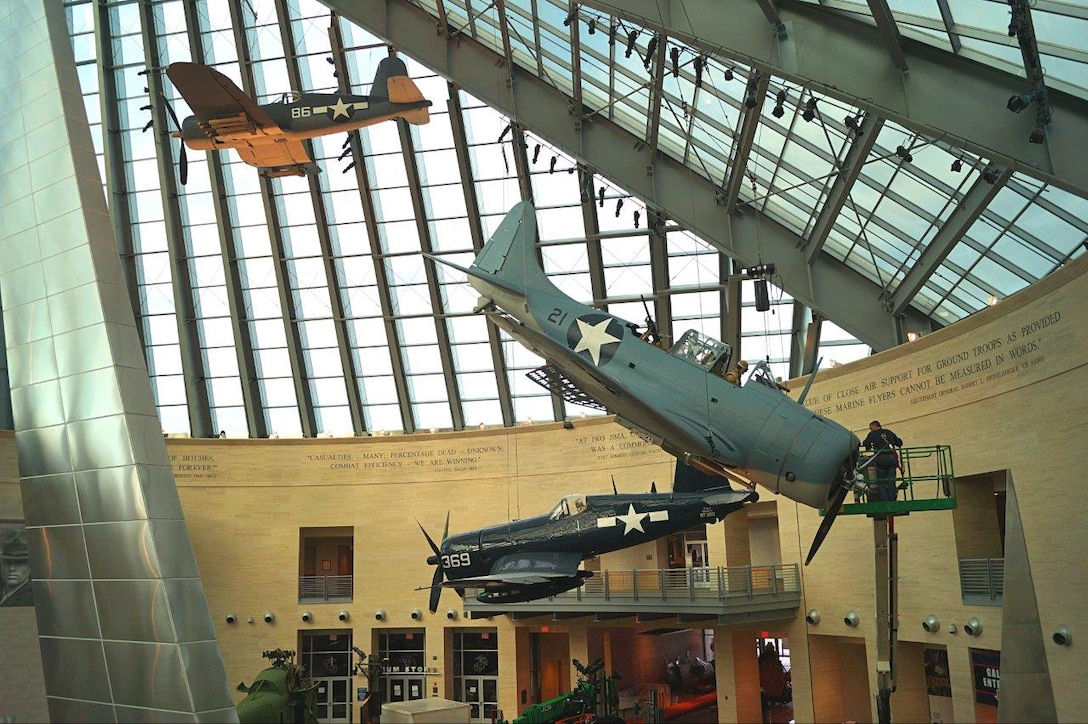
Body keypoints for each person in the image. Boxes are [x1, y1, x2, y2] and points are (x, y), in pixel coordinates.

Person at [862, 420, 903, 502]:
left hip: (880, 460)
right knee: (891, 481)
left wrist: (869, 446)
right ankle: (892, 500)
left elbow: (866, 443)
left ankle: (884, 500)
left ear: (875, 426)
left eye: (871, 428)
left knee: (881, 482)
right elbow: (899, 443)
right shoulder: (889, 432)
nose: (870, 430)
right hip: (891, 459)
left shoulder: (872, 434)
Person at [0, 528, 33, 607]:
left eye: (19, 563)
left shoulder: (34, 598)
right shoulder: (2, 591)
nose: (12, 568)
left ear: (30, 566)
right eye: (7, 562)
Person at [758, 642, 792, 714]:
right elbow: (779, 677)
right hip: (777, 691)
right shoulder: (773, 663)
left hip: (766, 690)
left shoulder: (761, 663)